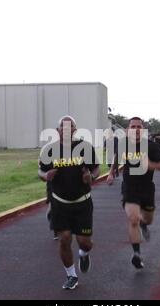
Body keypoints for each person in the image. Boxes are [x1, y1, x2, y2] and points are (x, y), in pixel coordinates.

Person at [38, 115, 100, 290]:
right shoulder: (49, 150)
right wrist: (46, 176)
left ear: (75, 129)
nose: (66, 130)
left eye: (70, 127)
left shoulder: (85, 147)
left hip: (82, 202)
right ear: (58, 131)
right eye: (62, 127)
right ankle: (71, 275)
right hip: (60, 203)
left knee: (85, 242)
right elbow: (41, 172)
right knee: (64, 239)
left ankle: (84, 254)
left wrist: (91, 177)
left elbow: (96, 169)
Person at [106, 117, 160, 269]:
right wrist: (110, 173)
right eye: (133, 126)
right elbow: (116, 158)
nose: (136, 129)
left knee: (147, 219)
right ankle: (136, 254)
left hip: (147, 189)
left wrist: (151, 165)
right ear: (128, 130)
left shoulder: (152, 146)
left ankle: (144, 224)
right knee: (133, 219)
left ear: (143, 129)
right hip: (129, 187)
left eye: (138, 126)